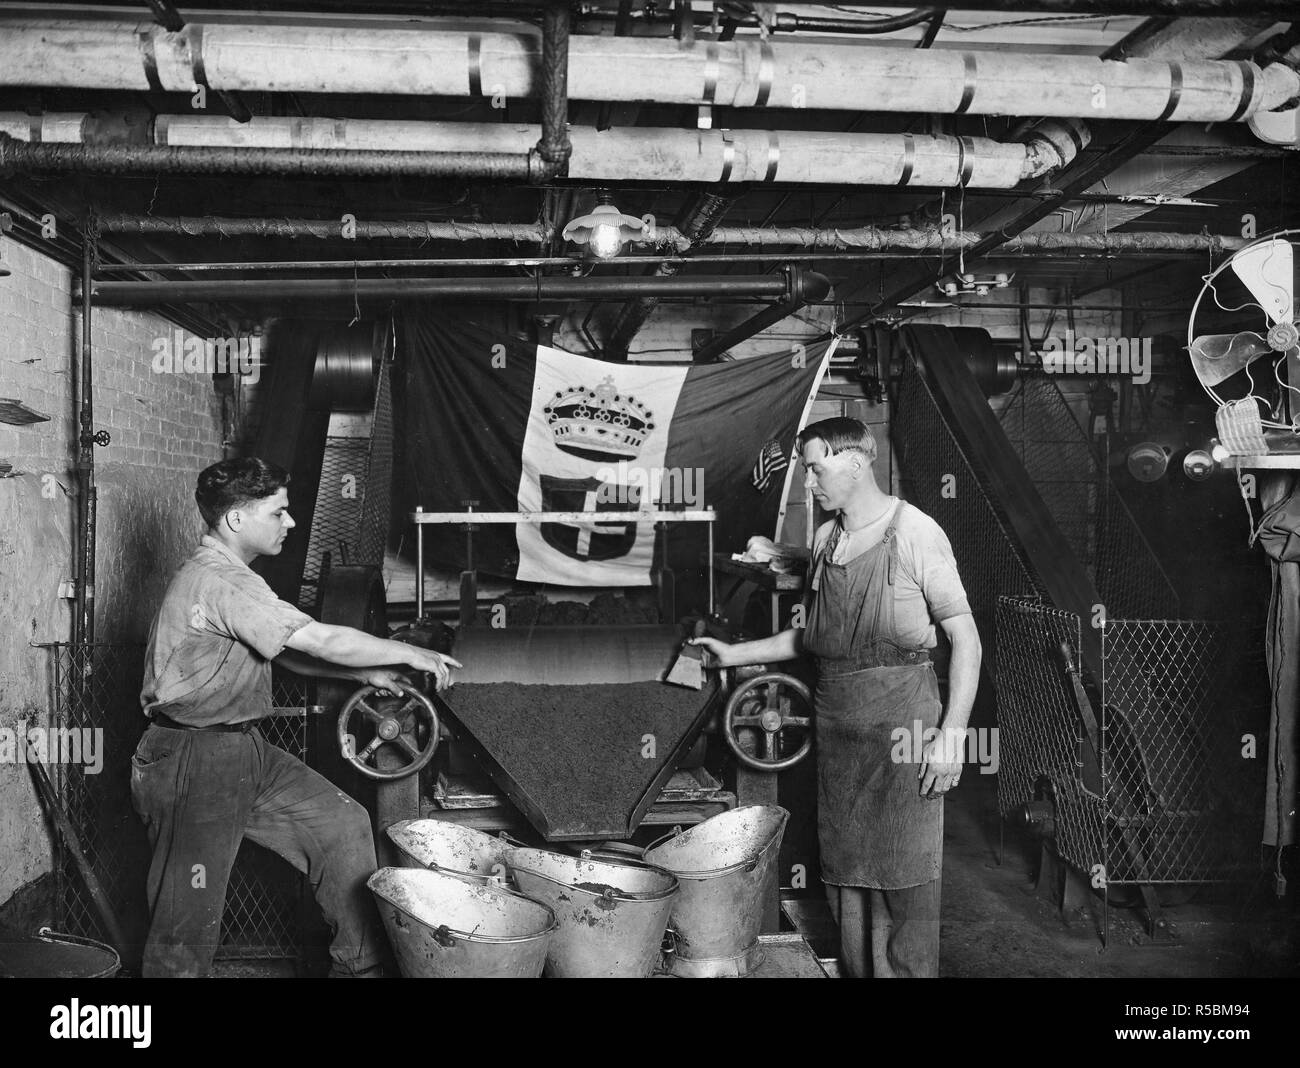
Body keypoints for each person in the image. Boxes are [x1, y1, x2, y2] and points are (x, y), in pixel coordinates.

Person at [131, 457, 461, 977]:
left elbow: (280, 648)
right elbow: (323, 639)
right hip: (194, 758)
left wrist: (362, 675)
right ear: (237, 520)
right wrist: (406, 652)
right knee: (187, 914)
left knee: (342, 825)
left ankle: (359, 969)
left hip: (244, 751)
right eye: (279, 512)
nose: (290, 523)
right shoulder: (222, 581)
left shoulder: (236, 579)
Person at [694, 417, 980, 978]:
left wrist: (953, 735)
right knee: (846, 875)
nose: (810, 483)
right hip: (839, 723)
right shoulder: (827, 540)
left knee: (905, 874)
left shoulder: (915, 532)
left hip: (904, 725)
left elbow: (965, 638)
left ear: (855, 462)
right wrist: (732, 653)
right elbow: (816, 635)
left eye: (816, 468)